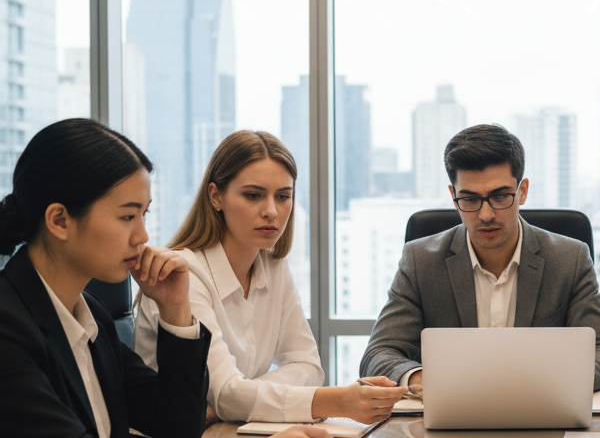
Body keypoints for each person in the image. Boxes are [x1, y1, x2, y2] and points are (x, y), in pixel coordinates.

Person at [0, 119, 331, 438]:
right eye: (126, 216)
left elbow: (176, 427)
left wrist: (176, 312)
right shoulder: (9, 324)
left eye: (144, 215)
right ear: (59, 220)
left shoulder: (88, 312)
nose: (142, 237)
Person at [135, 130, 406, 423]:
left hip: (231, 434)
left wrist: (239, 401)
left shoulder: (273, 266)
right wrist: (338, 401)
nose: (271, 211)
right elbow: (228, 396)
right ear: (216, 196)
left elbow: (309, 366)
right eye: (253, 195)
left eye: (283, 197)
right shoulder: (183, 276)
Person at [360, 124, 600, 391]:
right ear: (453, 196)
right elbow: (378, 355)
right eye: (470, 199)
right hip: (451, 417)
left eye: (499, 196)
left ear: (522, 191)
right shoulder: (420, 262)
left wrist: (546, 382)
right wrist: (420, 379)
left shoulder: (569, 259)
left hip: (542, 414)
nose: (486, 215)